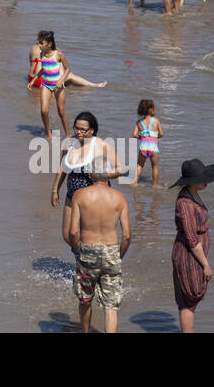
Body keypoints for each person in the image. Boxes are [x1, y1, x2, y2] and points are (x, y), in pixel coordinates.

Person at [68, 154, 131, 334]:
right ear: (109, 174)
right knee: (111, 305)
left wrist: (76, 250)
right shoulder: (120, 198)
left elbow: (73, 231)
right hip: (111, 250)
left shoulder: (80, 195)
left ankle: (85, 330)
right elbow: (127, 235)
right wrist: (118, 255)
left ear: (90, 174)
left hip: (87, 250)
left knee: (85, 299)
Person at [171, 158, 214, 332]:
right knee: (188, 300)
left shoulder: (193, 195)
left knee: (191, 299)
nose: (206, 181)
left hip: (193, 255)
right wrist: (206, 265)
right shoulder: (184, 203)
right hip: (188, 255)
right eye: (202, 178)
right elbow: (192, 239)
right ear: (192, 181)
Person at [132, 99, 164, 185]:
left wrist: (142, 137)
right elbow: (161, 134)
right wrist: (154, 137)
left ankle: (134, 182)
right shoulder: (156, 121)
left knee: (139, 165)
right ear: (150, 109)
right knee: (154, 167)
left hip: (143, 146)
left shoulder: (139, 122)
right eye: (155, 108)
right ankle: (155, 185)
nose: (156, 110)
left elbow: (134, 134)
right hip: (153, 147)